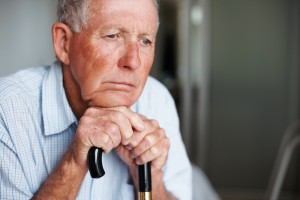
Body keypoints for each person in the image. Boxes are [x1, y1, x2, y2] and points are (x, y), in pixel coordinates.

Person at [0, 0, 192, 199]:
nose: (134, 61)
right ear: (64, 43)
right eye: (112, 36)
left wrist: (151, 177)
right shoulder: (8, 110)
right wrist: (73, 164)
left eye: (145, 41)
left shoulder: (157, 100)